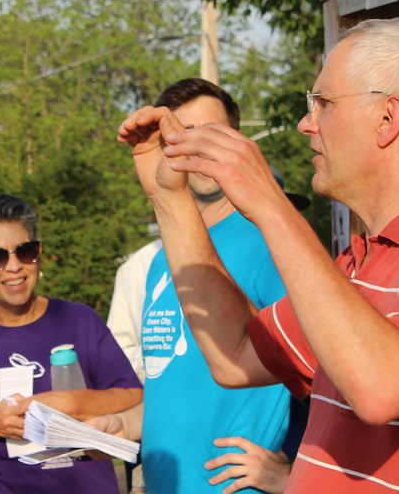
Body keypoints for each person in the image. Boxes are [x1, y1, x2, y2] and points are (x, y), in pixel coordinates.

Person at [117, 18, 399, 492]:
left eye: (323, 103)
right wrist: (168, 199)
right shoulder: (361, 261)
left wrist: (270, 204)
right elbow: (234, 356)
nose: (305, 123)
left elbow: (382, 389)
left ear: (388, 119)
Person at [105, 79, 294, 494]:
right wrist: (123, 424)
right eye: (182, 133)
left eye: (214, 132)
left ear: (239, 141)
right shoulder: (158, 262)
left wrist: (292, 474)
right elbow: (172, 385)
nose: (197, 146)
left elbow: (333, 370)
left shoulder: (272, 242)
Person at [0, 194, 142, 493]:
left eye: (25, 251)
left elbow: (131, 396)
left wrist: (71, 404)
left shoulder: (79, 321)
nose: (14, 266)